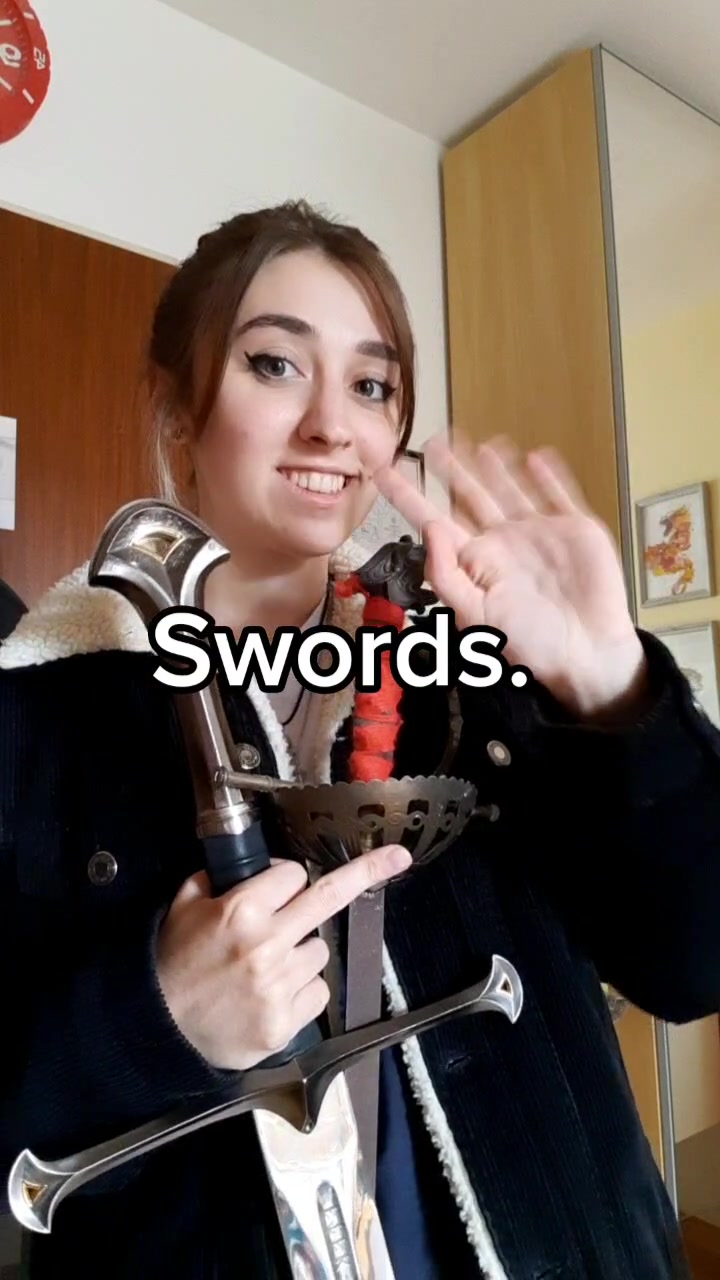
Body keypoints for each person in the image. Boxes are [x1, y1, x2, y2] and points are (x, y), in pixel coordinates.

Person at [0, 198, 718, 1280]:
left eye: (372, 385)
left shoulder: (472, 681)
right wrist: (152, 1019)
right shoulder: (38, 716)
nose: (333, 426)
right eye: (276, 365)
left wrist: (612, 683)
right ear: (178, 413)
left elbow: (695, 962)